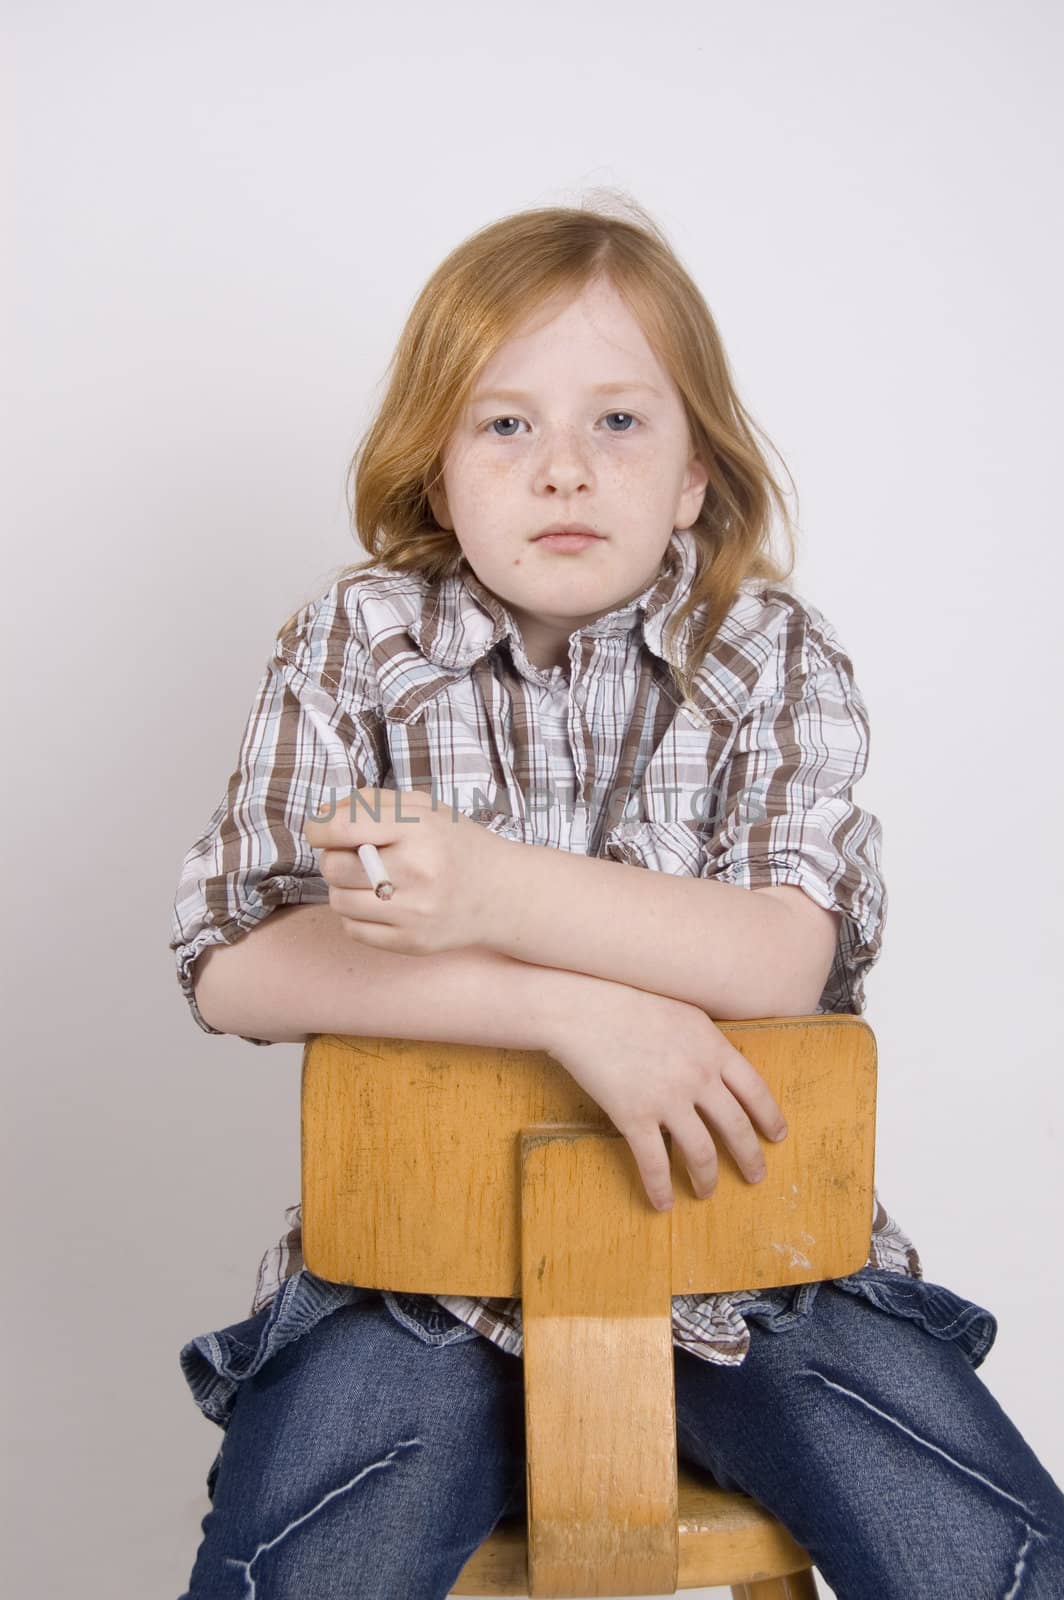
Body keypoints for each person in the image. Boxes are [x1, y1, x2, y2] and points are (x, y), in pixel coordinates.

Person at [170, 198, 1064, 1598]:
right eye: (506, 425)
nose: (565, 471)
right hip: (416, 1280)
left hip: (754, 1269)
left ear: (697, 475)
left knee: (1000, 1555)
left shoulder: (771, 653)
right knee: (301, 1565)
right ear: (438, 472)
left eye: (620, 425)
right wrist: (573, 1009)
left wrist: (489, 889)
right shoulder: (354, 640)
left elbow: (781, 954)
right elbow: (234, 963)